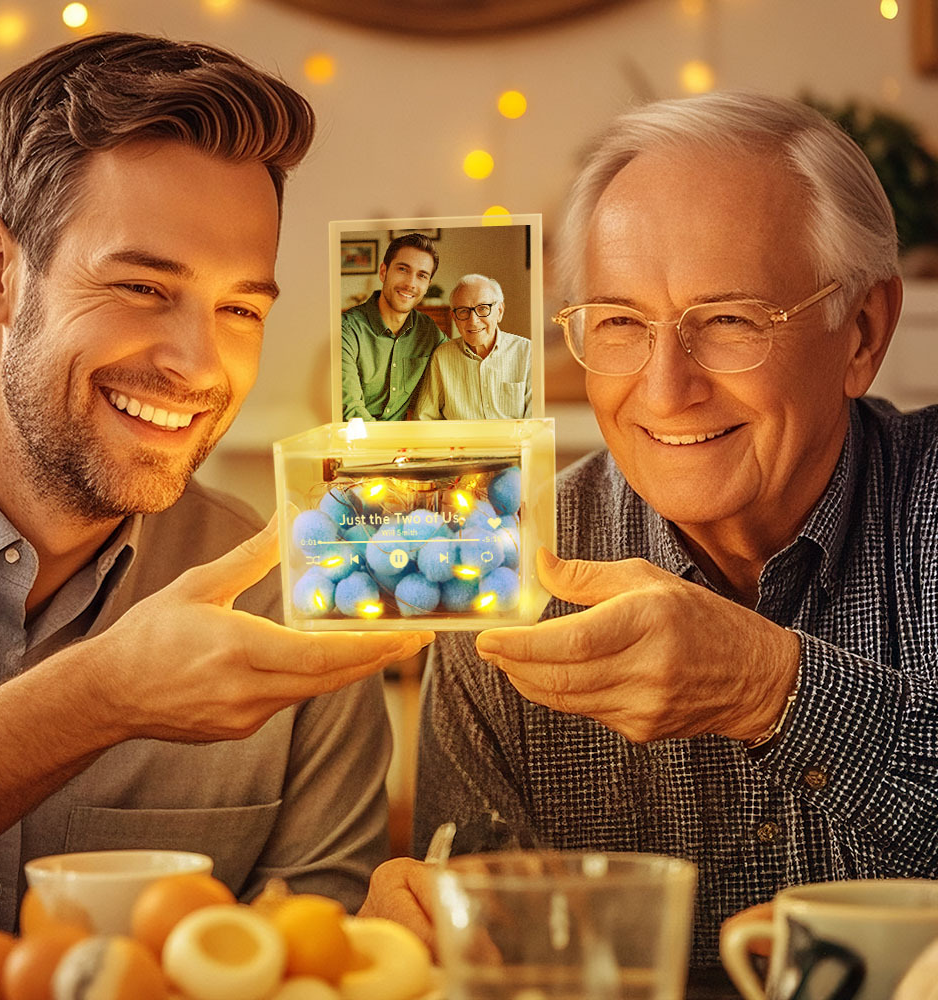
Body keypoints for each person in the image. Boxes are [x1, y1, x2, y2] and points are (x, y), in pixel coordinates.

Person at [370, 92, 938, 971]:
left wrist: (774, 690)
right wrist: (430, 938)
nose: (667, 390)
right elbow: (493, 957)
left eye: (731, 320)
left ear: (862, 332)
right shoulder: (501, 561)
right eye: (620, 324)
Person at [0, 33, 433, 949]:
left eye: (240, 308)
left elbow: (311, 955)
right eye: (141, 287)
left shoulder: (294, 595)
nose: (200, 367)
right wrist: (100, 698)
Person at [340, 233, 446, 421]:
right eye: (403, 269)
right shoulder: (347, 329)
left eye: (422, 275)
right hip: (359, 437)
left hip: (404, 437)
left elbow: (458, 361)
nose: (411, 283)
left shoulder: (428, 331)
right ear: (383, 272)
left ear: (427, 285)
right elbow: (352, 412)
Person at [415, 274, 532, 420]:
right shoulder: (442, 357)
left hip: (515, 436)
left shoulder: (527, 352)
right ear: (454, 317)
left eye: (483, 308)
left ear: (499, 311)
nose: (473, 321)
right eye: (463, 311)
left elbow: (537, 422)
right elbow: (425, 418)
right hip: (458, 436)